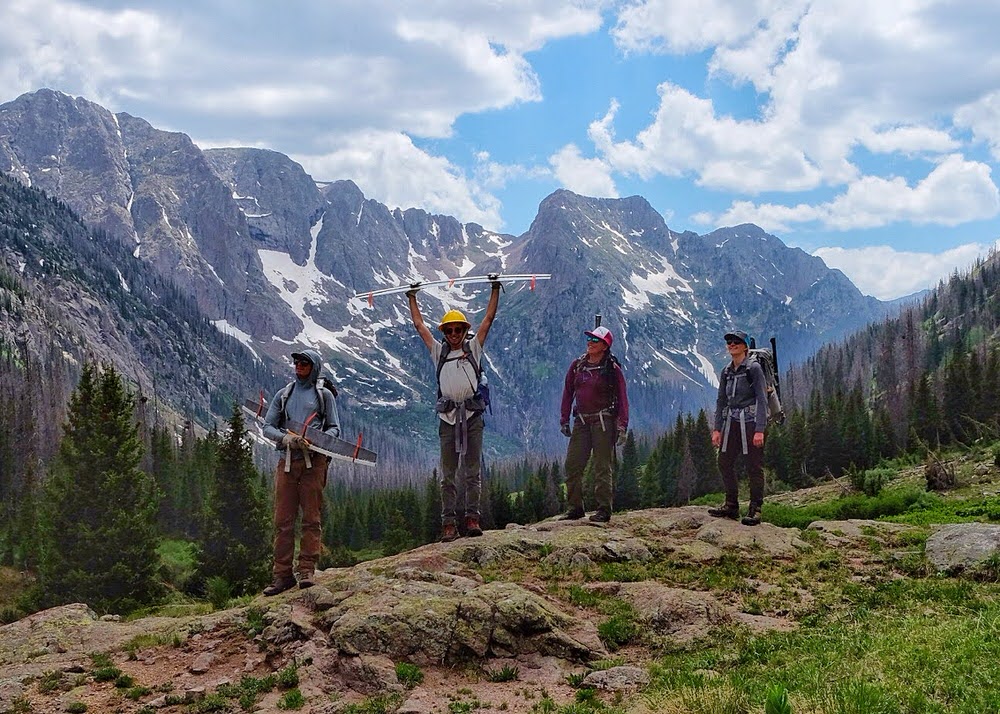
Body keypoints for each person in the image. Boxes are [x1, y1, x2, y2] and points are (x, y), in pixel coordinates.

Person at [408, 282, 500, 542]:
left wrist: (495, 289)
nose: (454, 333)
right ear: (445, 332)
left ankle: (472, 519)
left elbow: (489, 319)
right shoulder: (439, 352)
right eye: (449, 330)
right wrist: (412, 297)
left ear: (465, 330)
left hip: (472, 417)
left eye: (458, 329)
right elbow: (420, 326)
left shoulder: (474, 349)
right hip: (447, 419)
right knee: (447, 475)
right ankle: (448, 523)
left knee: (472, 472)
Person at [260, 349, 340, 595]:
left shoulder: (324, 395)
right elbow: (268, 427)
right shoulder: (284, 394)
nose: (299, 366)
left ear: (313, 366)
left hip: (313, 464)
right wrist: (287, 439)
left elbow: (335, 429)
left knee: (311, 519)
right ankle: (282, 575)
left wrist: (318, 441)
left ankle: (307, 570)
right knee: (283, 521)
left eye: (304, 363)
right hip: (286, 462)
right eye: (296, 362)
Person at [559, 326, 629, 523]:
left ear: (605, 346)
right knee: (572, 465)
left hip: (603, 422)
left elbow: (623, 398)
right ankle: (575, 508)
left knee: (602, 466)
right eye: (589, 339)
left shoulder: (612, 369)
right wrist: (564, 419)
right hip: (581, 421)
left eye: (595, 340)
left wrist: (622, 425)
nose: (590, 342)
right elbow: (567, 393)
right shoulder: (577, 366)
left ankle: (604, 509)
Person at [708, 330, 768, 526]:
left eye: (736, 342)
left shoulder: (754, 369)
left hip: (751, 422)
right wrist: (717, 429)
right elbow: (721, 400)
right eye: (729, 342)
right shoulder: (727, 371)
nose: (731, 345)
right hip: (732, 422)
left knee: (754, 466)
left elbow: (762, 398)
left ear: (745, 346)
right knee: (724, 461)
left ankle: (755, 509)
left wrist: (760, 429)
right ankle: (731, 505)